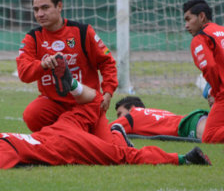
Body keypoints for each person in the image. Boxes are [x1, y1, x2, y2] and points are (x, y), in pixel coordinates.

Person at [0, 59, 211, 169]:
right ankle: (73, 84)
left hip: (64, 142)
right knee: (96, 102)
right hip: (59, 131)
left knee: (123, 154)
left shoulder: (131, 117)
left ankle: (183, 159)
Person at [16, 0, 124, 146]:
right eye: (36, 9)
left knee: (106, 150)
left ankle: (118, 134)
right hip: (54, 104)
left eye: (45, 8)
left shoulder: (82, 31)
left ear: (59, 6)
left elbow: (107, 62)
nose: (40, 14)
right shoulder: (33, 38)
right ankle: (60, 140)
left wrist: (108, 92)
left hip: (86, 105)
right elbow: (24, 73)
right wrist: (43, 65)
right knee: (32, 114)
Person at [183, 0, 224, 143]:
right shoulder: (221, 31)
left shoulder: (200, 38)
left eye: (188, 19)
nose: (186, 26)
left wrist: (216, 92)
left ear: (201, 17)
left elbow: (209, 67)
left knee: (209, 136)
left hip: (222, 94)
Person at [109, 96, 208, 140]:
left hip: (190, 126)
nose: (119, 118)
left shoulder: (132, 116)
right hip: (196, 118)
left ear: (131, 109)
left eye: (120, 114)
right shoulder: (155, 114)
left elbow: (106, 129)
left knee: (212, 138)